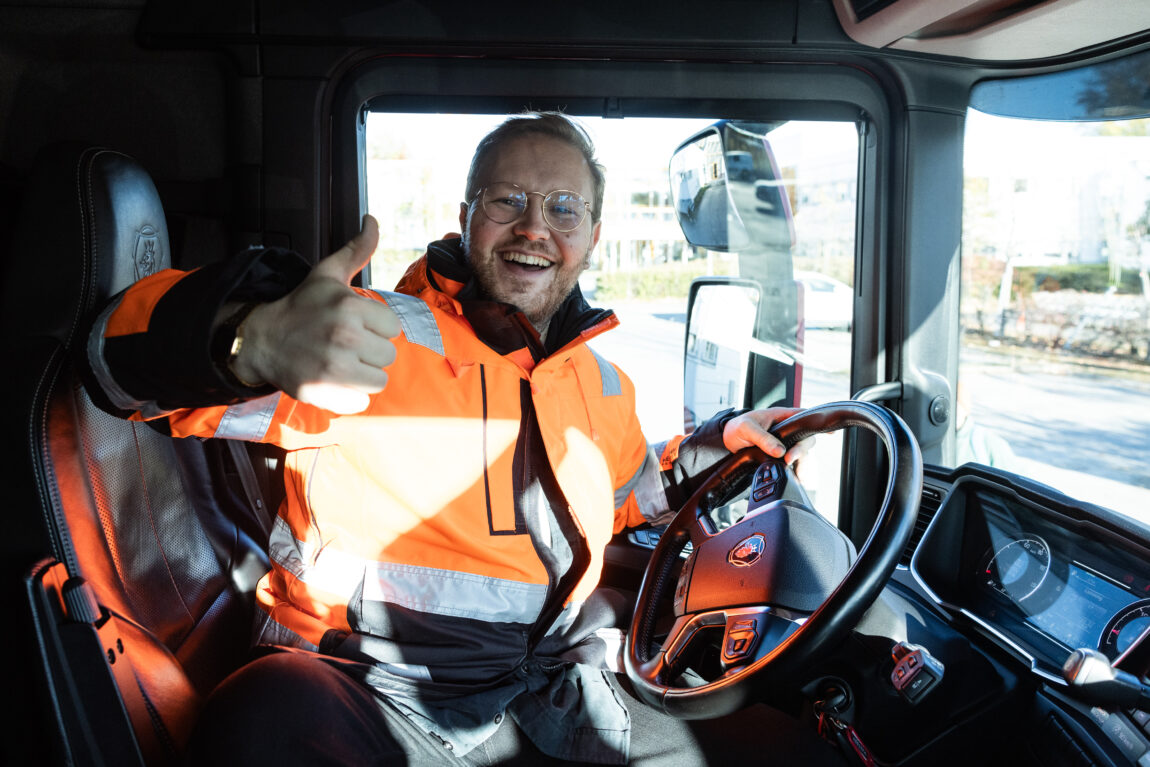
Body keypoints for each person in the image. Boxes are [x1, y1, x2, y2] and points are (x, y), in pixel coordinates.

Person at [83, 112, 837, 765]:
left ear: (594, 235)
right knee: (260, 720)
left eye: (563, 208)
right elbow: (117, 365)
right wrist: (246, 339)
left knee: (784, 747)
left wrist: (720, 443)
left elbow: (628, 493)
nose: (535, 227)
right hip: (373, 689)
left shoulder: (600, 381)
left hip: (551, 688)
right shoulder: (368, 339)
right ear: (467, 215)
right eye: (507, 200)